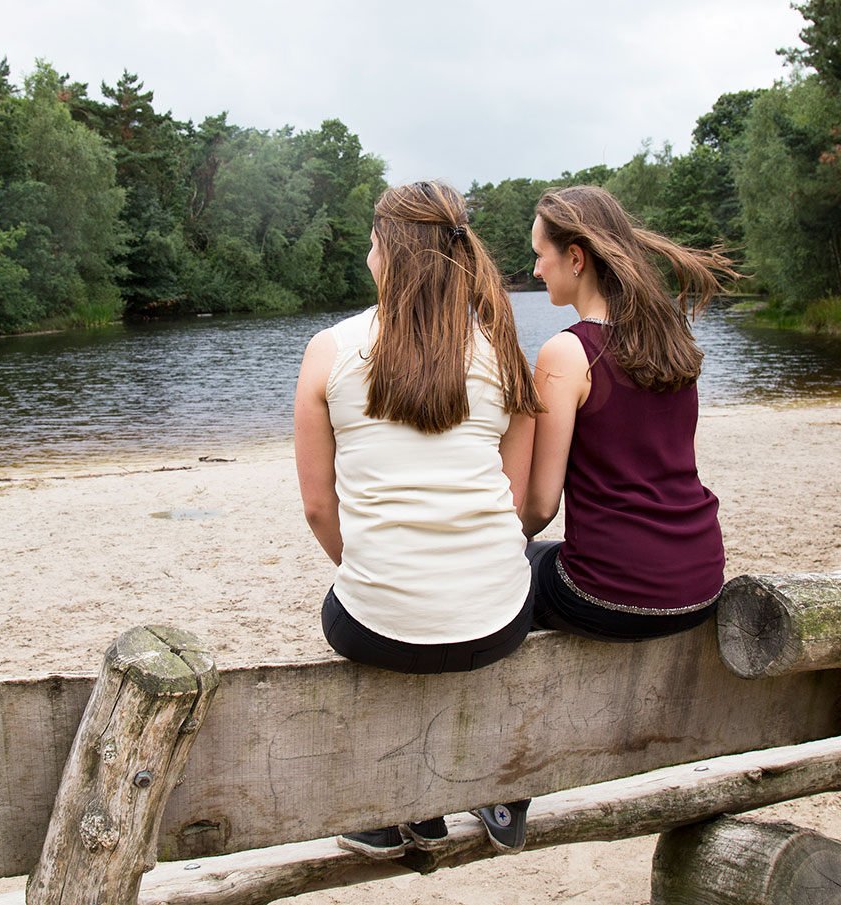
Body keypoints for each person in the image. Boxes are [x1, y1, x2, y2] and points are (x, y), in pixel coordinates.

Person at [481, 185, 741, 848]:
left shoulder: (568, 354)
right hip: (700, 581)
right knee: (540, 567)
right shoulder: (671, 339)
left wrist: (490, 548)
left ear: (577, 256)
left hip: (618, 590)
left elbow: (540, 505)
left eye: (539, 256)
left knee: (508, 583)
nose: (533, 270)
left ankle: (507, 788)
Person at [293, 181, 543, 859]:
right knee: (471, 610)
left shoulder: (330, 350)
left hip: (375, 627)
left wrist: (376, 567)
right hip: (498, 624)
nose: (368, 255)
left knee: (364, 620)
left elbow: (318, 507)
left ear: (390, 254)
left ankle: (401, 811)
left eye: (373, 243)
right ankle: (471, 793)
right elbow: (516, 509)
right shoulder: (506, 355)